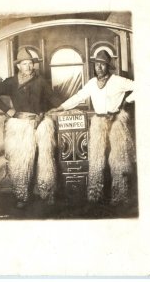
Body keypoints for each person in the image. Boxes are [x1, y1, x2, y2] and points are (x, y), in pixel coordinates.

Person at [50, 50, 136, 206]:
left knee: (118, 160)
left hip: (116, 123)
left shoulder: (117, 80)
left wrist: (126, 102)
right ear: (94, 66)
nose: (99, 68)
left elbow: (141, 86)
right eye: (97, 65)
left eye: (103, 65)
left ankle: (120, 196)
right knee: (97, 160)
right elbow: (78, 97)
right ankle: (96, 195)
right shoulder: (91, 83)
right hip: (98, 124)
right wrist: (61, 107)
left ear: (108, 66)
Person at [0, 47, 62, 208]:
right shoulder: (11, 82)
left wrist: (62, 107)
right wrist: (7, 110)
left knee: (46, 158)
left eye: (30, 63)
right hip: (19, 125)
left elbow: (54, 99)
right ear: (18, 66)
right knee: (21, 161)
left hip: (41, 122)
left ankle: (46, 191)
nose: (28, 67)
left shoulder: (40, 81)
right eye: (24, 64)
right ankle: (22, 195)